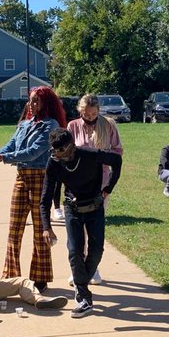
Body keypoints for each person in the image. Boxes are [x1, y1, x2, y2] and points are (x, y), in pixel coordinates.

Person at [0, 85, 66, 292]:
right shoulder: (25, 124)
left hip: (40, 178)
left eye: (36, 100)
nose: (32, 104)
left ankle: (40, 278)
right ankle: (11, 276)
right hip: (21, 178)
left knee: (40, 231)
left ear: (46, 103)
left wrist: (1, 159)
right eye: (30, 100)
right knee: (14, 230)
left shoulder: (50, 125)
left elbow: (33, 152)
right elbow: (11, 145)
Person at [41, 127, 124, 319]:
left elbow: (116, 160)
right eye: (54, 151)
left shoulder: (90, 154)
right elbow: (45, 197)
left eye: (60, 150)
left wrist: (109, 187)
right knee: (74, 250)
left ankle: (81, 284)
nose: (57, 155)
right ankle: (83, 297)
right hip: (72, 208)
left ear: (71, 146)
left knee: (96, 250)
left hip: (95, 206)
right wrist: (47, 226)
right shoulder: (54, 163)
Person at [66, 93, 124, 282]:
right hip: (79, 181)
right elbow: (68, 152)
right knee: (78, 227)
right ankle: (77, 267)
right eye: (86, 113)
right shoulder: (73, 126)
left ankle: (93, 267)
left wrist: (102, 156)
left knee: (94, 225)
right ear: (79, 110)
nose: (89, 117)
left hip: (101, 181)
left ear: (98, 110)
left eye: (93, 114)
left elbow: (117, 151)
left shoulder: (108, 125)